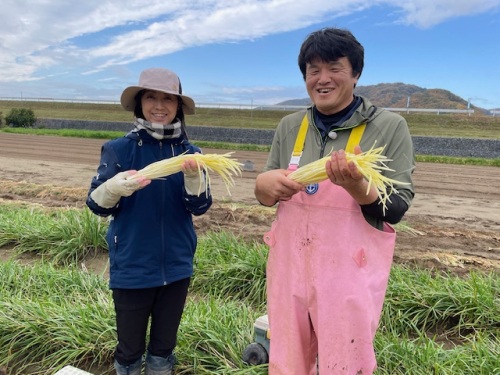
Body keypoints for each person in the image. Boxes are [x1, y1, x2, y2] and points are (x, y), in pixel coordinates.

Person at [254, 28, 415, 374]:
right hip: (289, 270)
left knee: (346, 360)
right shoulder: (289, 126)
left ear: (355, 73)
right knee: (287, 357)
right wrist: (262, 187)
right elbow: (268, 195)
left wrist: (360, 187)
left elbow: (397, 207)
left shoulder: (388, 126)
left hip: (348, 273)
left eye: (334, 68)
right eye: (314, 70)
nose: (323, 79)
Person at [86, 68, 212, 375]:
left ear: (178, 106)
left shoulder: (189, 153)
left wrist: (194, 178)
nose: (159, 105)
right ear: (140, 102)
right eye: (151, 97)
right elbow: (96, 205)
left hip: (177, 266)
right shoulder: (120, 149)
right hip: (133, 266)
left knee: (163, 349)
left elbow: (200, 207)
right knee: (129, 350)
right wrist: (114, 187)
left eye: (168, 99)